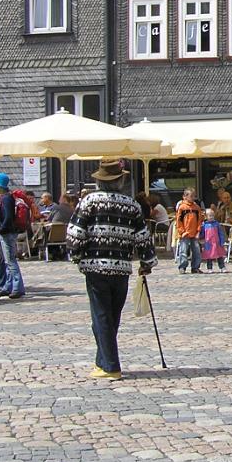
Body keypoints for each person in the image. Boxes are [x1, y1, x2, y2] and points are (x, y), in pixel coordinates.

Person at [66, 160, 156, 380]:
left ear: (99, 180)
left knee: (101, 315)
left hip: (96, 266)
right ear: (121, 180)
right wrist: (146, 263)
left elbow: (75, 233)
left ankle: (111, 366)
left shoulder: (89, 201)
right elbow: (143, 238)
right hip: (121, 267)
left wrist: (76, 256)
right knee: (112, 316)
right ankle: (102, 361)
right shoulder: (132, 205)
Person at [0, 173, 25, 299]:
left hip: (7, 233)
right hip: (8, 232)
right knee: (7, 260)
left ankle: (17, 287)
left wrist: (1, 229)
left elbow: (8, 217)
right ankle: (8, 286)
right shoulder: (4, 197)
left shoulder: (6, 198)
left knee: (11, 261)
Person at [175, 188, 203, 274]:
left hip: (194, 233)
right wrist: (182, 231)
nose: (193, 198)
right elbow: (179, 221)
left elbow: (200, 220)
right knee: (183, 251)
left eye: (193, 196)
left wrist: (198, 231)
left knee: (197, 251)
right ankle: (182, 267)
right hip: (185, 233)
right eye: (191, 196)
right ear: (185, 197)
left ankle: (195, 267)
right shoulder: (182, 208)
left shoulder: (197, 208)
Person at [200, 209, 228, 273]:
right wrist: (201, 239)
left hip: (217, 243)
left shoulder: (217, 224)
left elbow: (220, 233)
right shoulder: (204, 225)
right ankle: (209, 268)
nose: (211, 217)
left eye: (212, 215)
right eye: (210, 216)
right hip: (208, 243)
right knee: (209, 257)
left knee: (219, 256)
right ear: (206, 217)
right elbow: (202, 234)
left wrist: (222, 241)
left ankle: (222, 267)